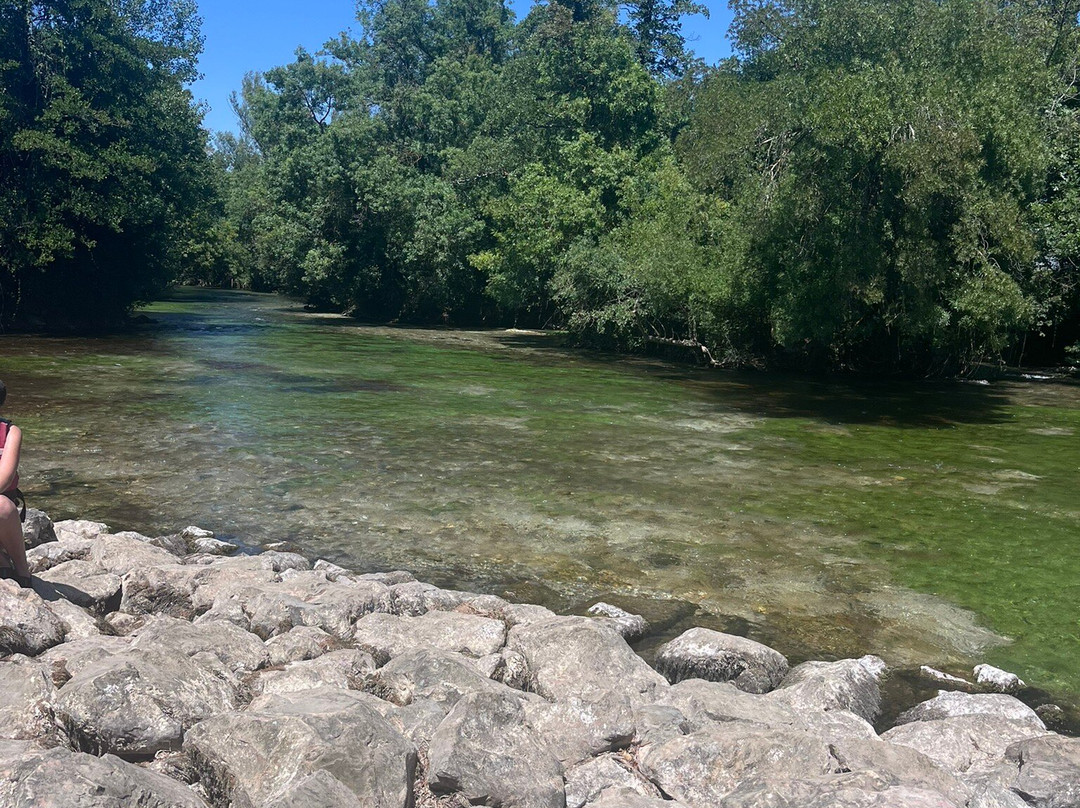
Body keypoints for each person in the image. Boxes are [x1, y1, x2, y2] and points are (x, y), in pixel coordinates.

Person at [0, 380, 32, 588]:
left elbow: (4, 479)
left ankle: (22, 568)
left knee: (0, 505)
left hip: (2, 507)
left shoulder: (11, 432)